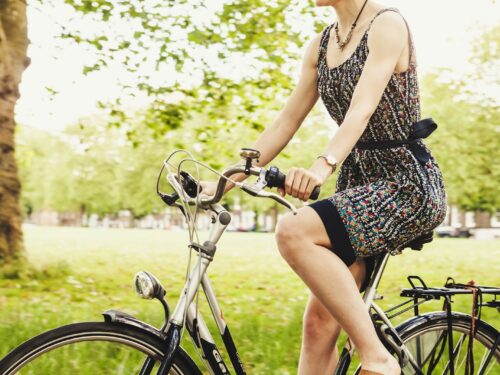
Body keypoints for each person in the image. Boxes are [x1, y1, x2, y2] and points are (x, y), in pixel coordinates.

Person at [200, 0, 447, 374]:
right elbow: (286, 121)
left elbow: (362, 110)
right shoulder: (320, 45)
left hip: (404, 184)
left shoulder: (387, 24)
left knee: (294, 230)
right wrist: (220, 183)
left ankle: (379, 359)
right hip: (359, 183)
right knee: (319, 325)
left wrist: (321, 166)